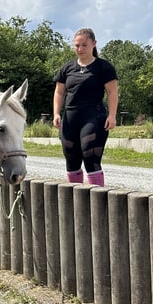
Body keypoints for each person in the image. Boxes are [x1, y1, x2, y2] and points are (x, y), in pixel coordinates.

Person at [52, 28, 119, 186]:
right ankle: (75, 201)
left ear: (94, 44)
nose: (80, 49)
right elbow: (59, 92)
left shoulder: (104, 67)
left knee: (90, 155)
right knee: (71, 159)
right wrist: (56, 113)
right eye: (77, 45)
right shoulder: (67, 68)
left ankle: (98, 202)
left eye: (84, 45)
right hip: (70, 118)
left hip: (93, 116)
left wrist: (112, 115)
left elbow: (112, 92)